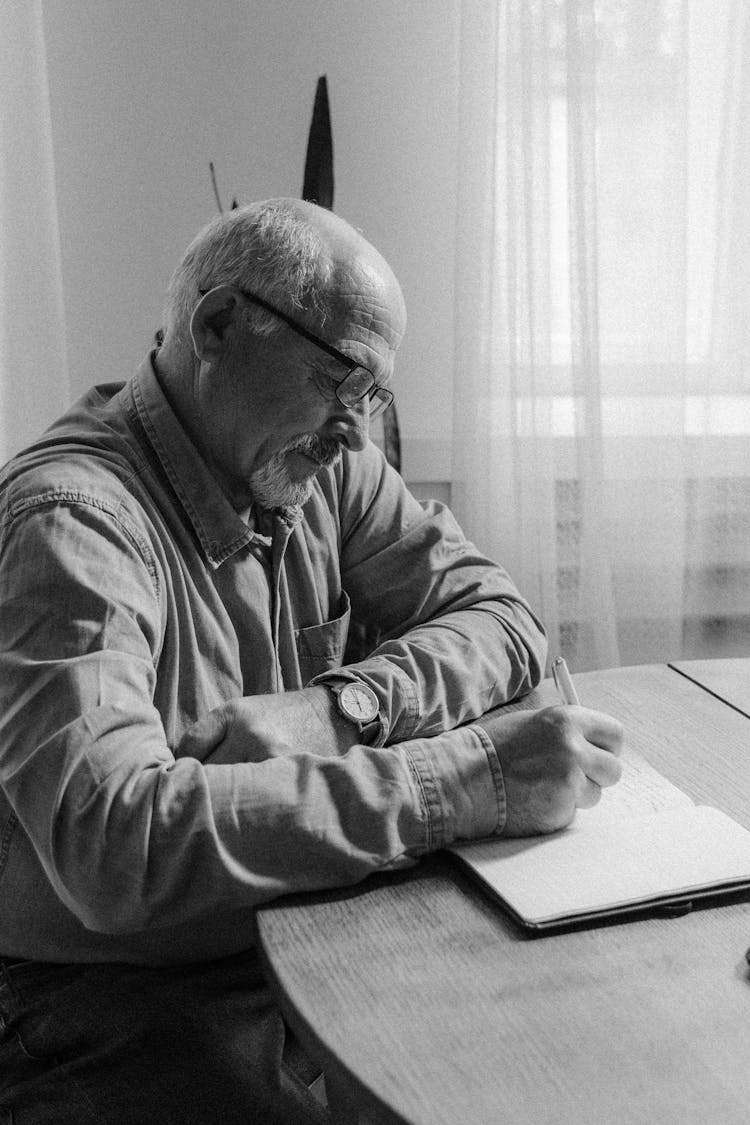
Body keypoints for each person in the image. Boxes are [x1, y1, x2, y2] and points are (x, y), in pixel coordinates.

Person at [0, 198, 623, 1123]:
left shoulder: (322, 466)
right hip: (99, 993)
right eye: (344, 383)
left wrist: (345, 711)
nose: (359, 432)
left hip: (296, 924)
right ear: (216, 326)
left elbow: (503, 617)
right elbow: (115, 845)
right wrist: (462, 781)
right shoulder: (71, 524)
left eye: (376, 398)